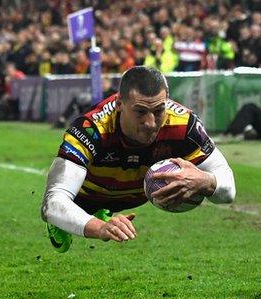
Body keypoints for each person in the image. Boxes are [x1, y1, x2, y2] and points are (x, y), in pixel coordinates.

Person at [41, 66, 236, 253]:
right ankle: (84, 216)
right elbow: (52, 202)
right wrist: (99, 228)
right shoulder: (91, 128)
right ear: (119, 104)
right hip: (84, 198)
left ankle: (103, 209)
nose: (151, 123)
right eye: (140, 112)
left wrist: (207, 181)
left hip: (134, 196)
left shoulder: (184, 125)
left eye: (159, 110)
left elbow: (229, 191)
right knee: (62, 214)